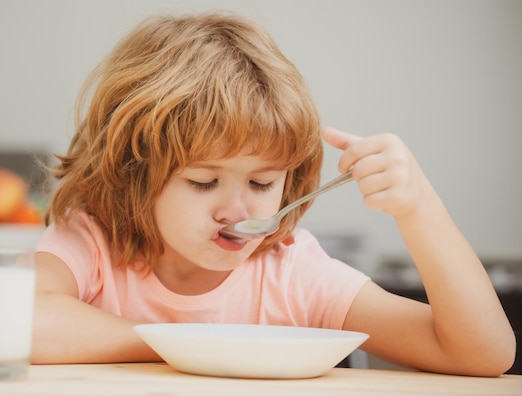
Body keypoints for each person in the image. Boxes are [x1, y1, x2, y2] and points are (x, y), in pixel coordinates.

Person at [31, 12, 515, 376]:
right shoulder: (94, 239)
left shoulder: (291, 273)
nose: (237, 210)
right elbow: (20, 320)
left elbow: (482, 354)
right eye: (204, 181)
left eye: (263, 183)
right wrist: (183, 343)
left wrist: (419, 210)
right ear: (132, 172)